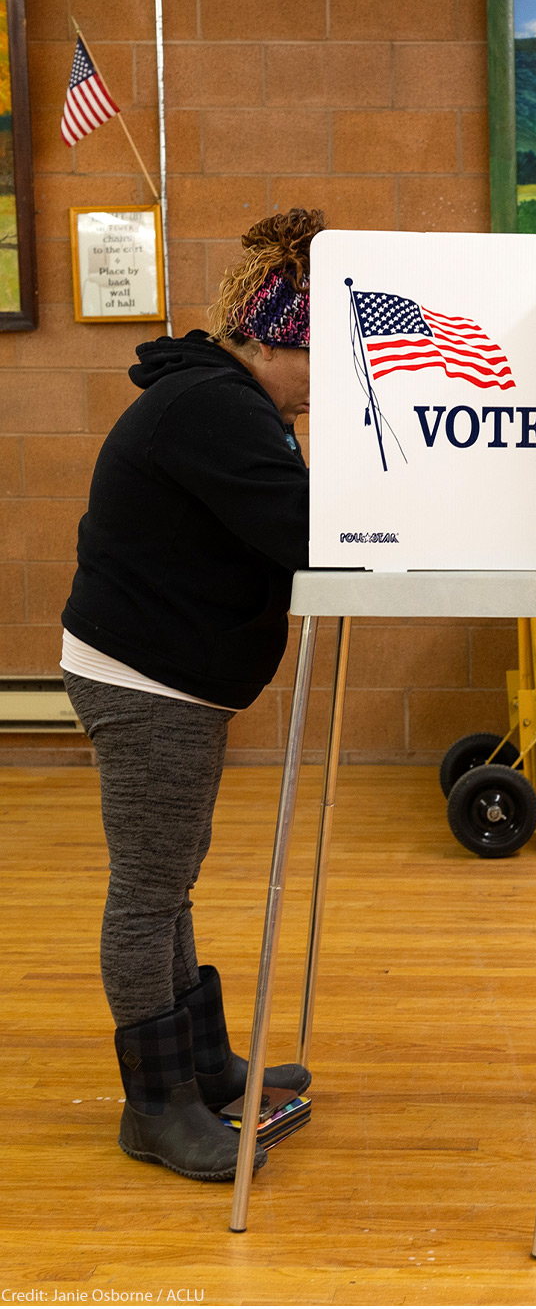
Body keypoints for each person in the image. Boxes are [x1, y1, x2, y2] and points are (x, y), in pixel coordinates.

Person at [61, 208, 322, 1181]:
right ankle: (155, 1104)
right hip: (146, 677)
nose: (321, 381)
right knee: (147, 889)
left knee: (168, 876)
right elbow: (305, 533)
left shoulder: (227, 401)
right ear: (265, 335)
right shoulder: (216, 410)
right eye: (313, 356)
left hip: (161, 671)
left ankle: (201, 1064)